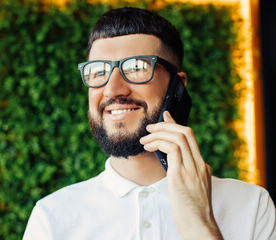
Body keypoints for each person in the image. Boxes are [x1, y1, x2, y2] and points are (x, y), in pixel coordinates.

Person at [23, 7, 276, 239]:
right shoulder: (52, 218)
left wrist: (200, 226)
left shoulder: (251, 206)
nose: (112, 89)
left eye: (135, 67)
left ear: (177, 86)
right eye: (98, 71)